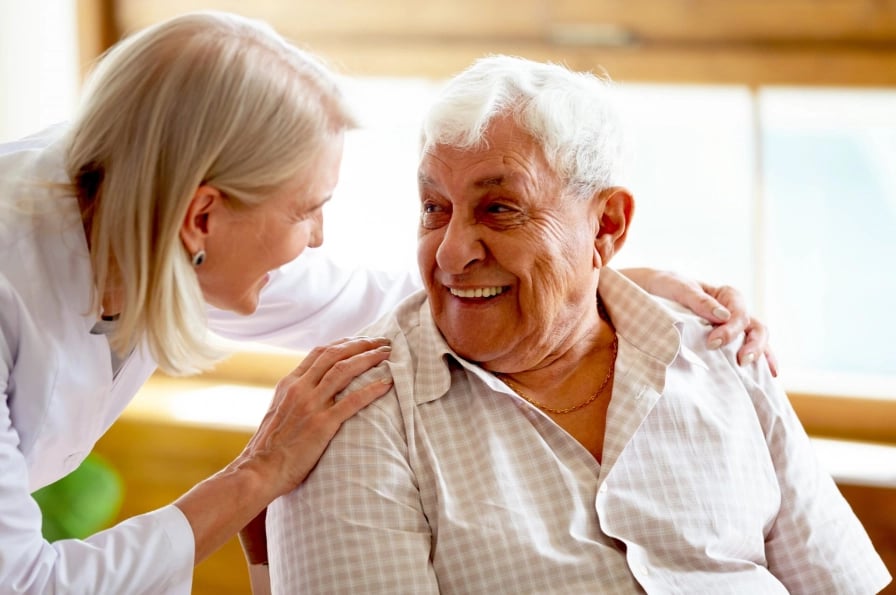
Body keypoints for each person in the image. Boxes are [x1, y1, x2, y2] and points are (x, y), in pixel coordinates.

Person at [0, 11, 773, 594]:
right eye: (307, 209)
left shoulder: (156, 224)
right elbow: (25, 582)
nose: (316, 238)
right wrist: (254, 476)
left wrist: (611, 278)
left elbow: (412, 287)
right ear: (203, 215)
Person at [266, 55, 892, 594]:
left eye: (500, 208)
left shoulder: (722, 349)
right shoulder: (357, 411)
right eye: (434, 207)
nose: (452, 252)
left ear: (607, 226)